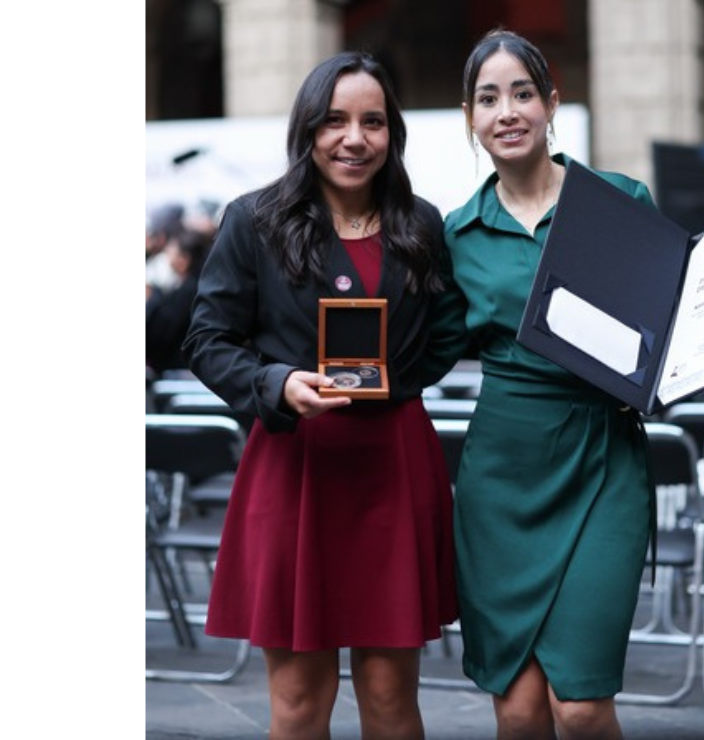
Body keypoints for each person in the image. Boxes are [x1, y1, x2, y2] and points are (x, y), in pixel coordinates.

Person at [439, 29, 704, 738]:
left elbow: (678, 323)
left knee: (578, 706)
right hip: (502, 479)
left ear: (551, 103)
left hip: (603, 464)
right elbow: (426, 346)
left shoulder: (618, 198)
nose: (506, 111)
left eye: (521, 93)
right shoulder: (456, 235)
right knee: (516, 709)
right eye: (488, 99)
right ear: (470, 118)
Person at [181, 51, 464, 740]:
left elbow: (452, 330)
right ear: (308, 129)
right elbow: (207, 339)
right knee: (299, 703)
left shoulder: (422, 224)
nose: (354, 138)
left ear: (392, 134)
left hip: (391, 464)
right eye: (334, 120)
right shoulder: (254, 220)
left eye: (372, 122)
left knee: (392, 699)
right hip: (295, 462)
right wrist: (276, 383)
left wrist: (395, 382)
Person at [146, 227, 212, 375]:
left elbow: (160, 335)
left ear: (184, 260)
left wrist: (153, 298)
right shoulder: (196, 286)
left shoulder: (188, 291)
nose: (167, 254)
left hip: (178, 372)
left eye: (171, 251)